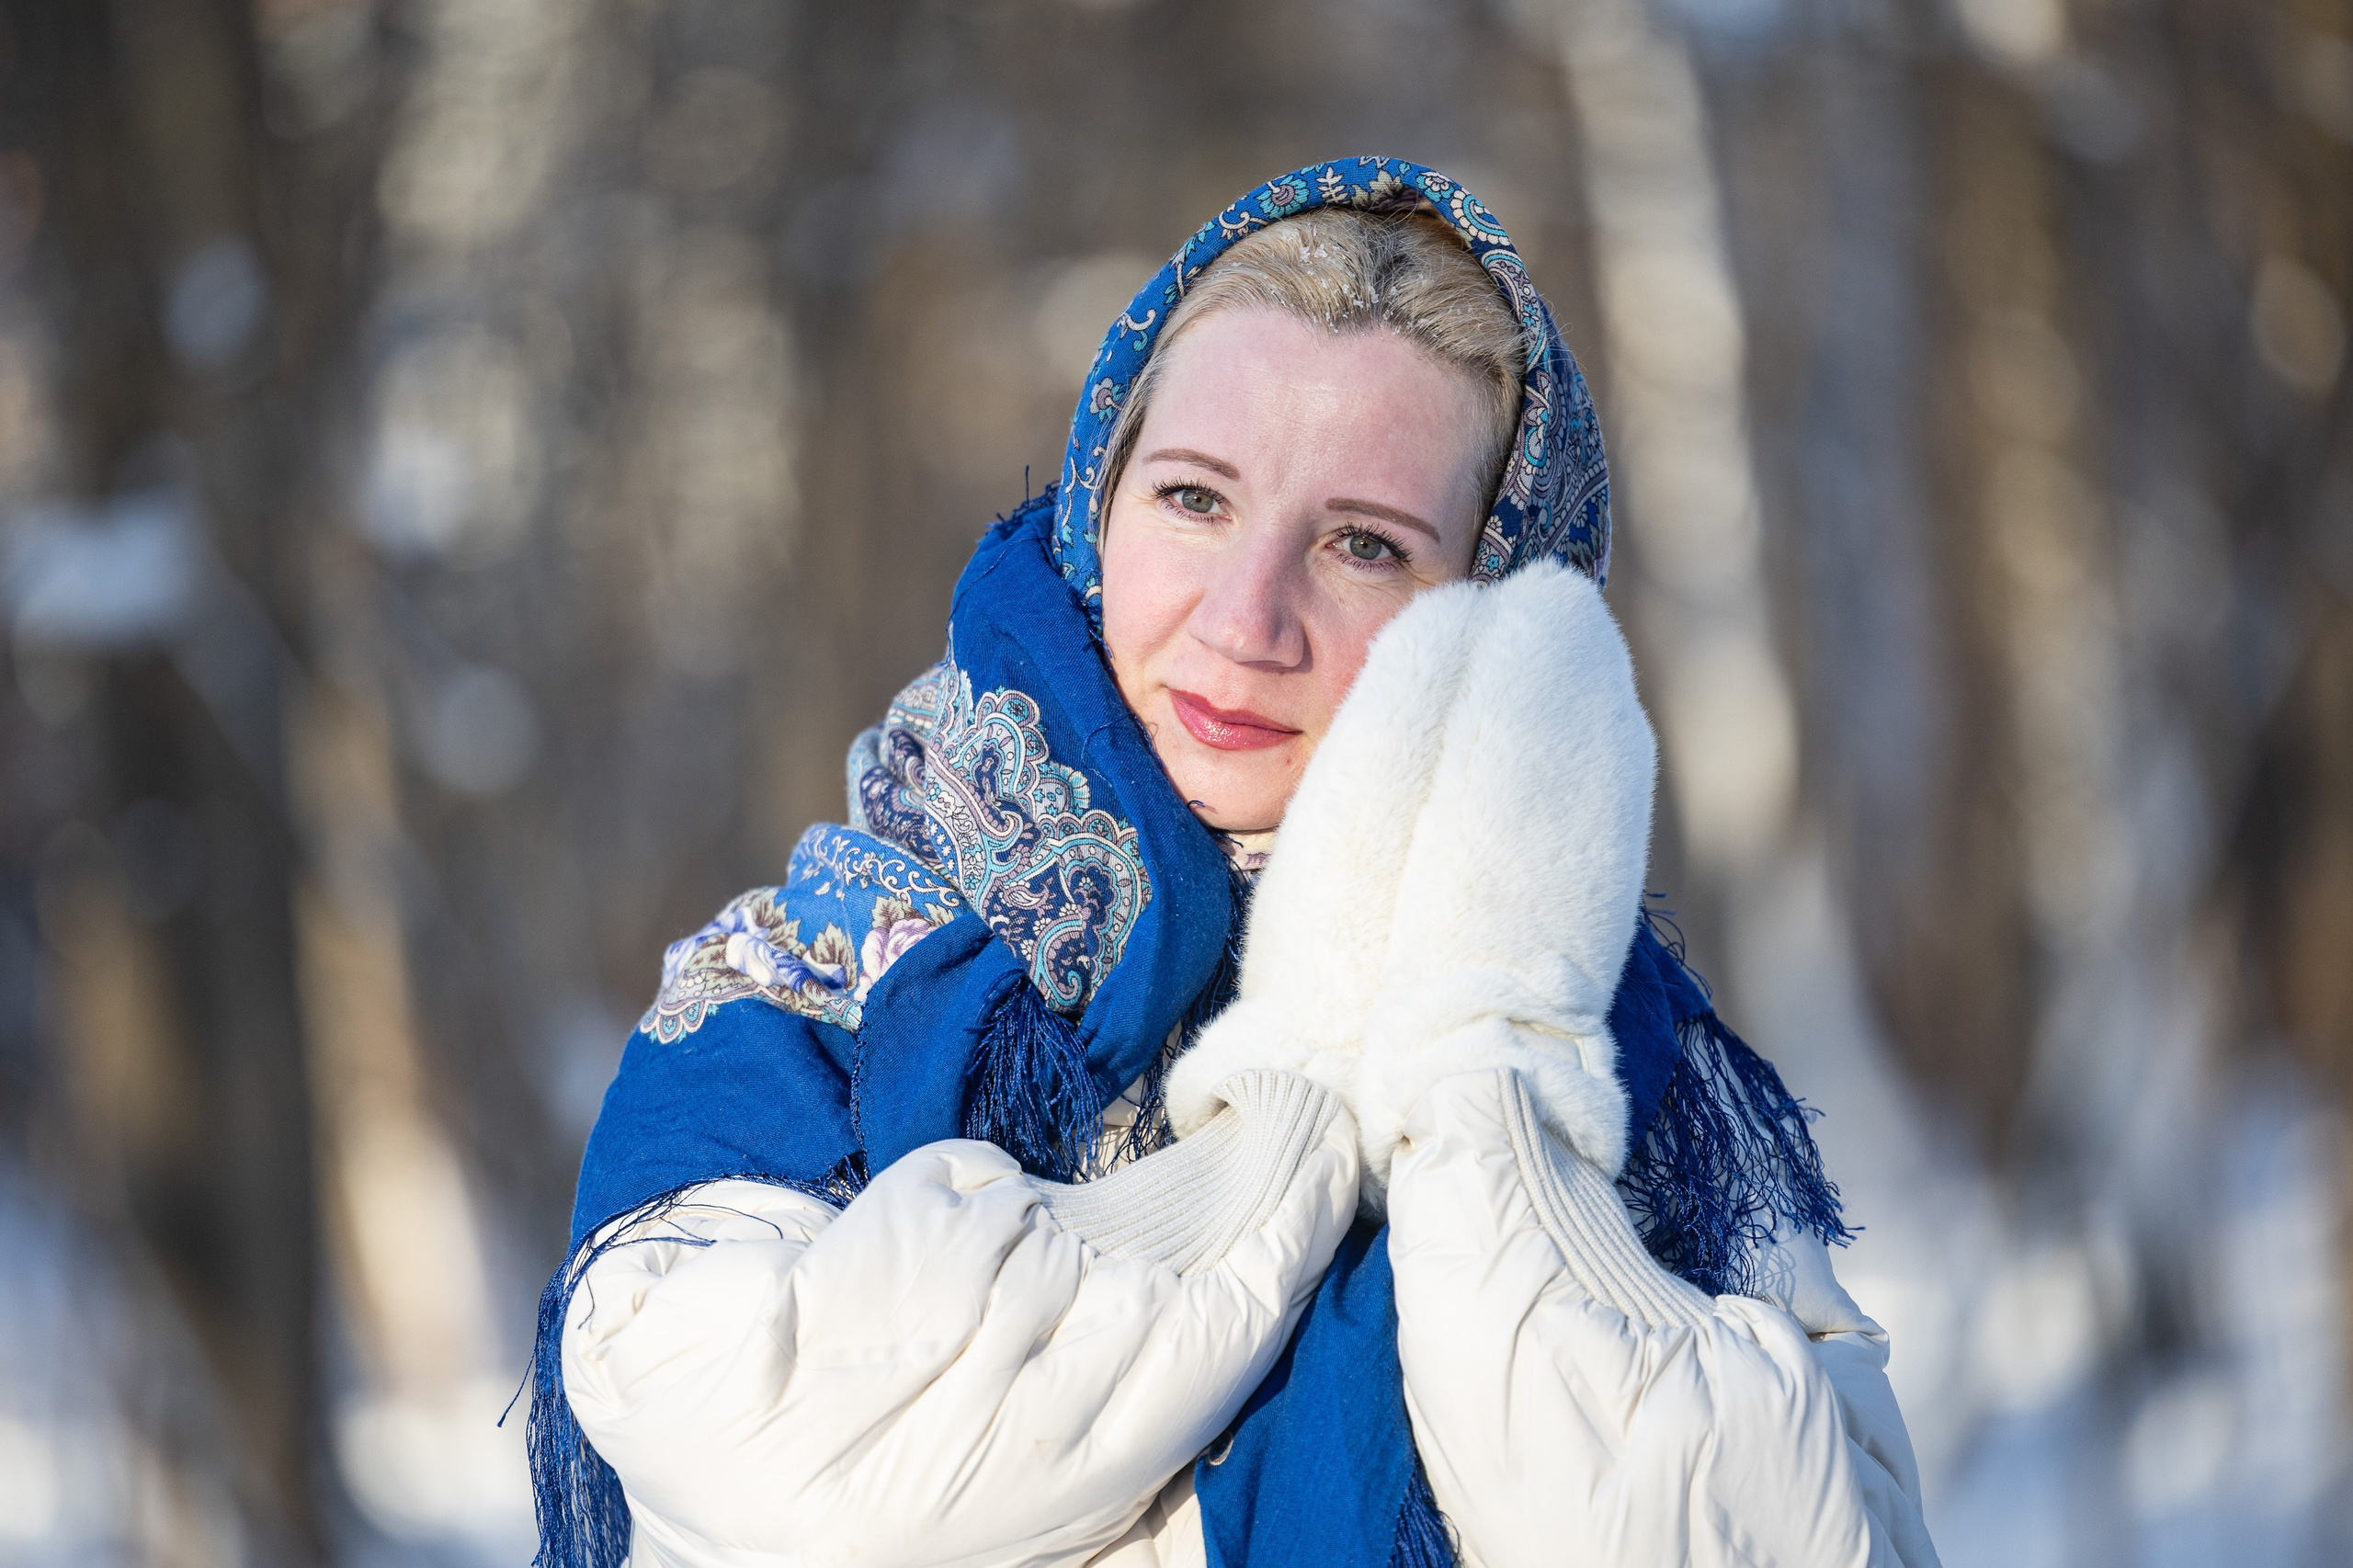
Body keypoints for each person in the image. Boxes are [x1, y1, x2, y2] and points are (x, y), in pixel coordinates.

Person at [527, 158, 1940, 1568]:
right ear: (1101, 499)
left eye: (1365, 545)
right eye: (1196, 499)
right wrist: (1289, 1129)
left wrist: (1485, 1053)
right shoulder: (822, 966)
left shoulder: (1630, 1069)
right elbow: (789, 1459)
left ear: (1498, 609)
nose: (1246, 620)